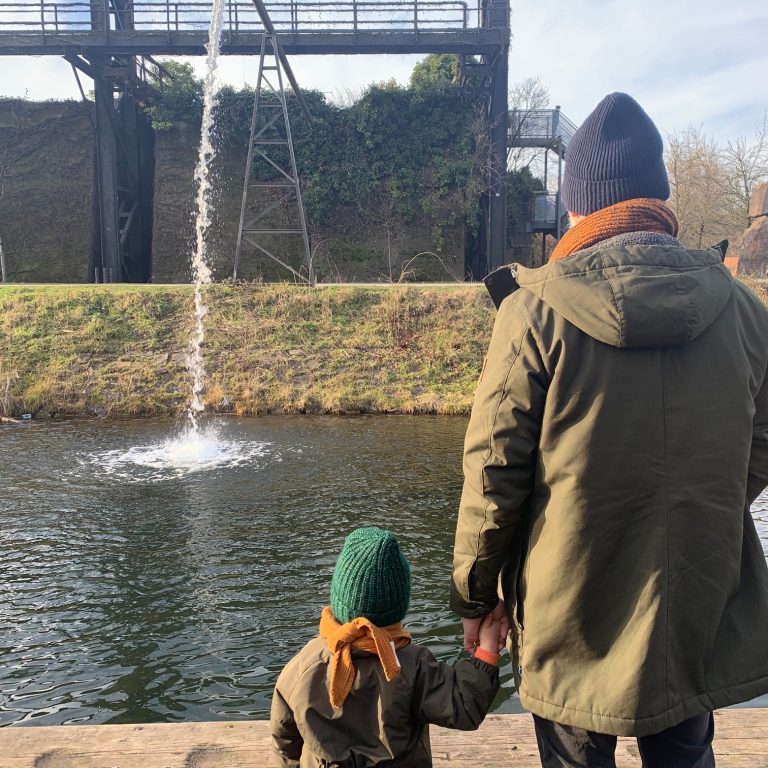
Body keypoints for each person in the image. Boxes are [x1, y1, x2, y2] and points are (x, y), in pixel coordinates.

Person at [451, 92, 768, 767]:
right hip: (695, 598)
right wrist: (698, 505)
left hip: (569, 608)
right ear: (659, 197)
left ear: (576, 205)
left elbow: (493, 474)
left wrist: (476, 595)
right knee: (685, 751)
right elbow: (762, 441)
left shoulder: (533, 313)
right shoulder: (744, 310)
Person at [271, 526, 501, 767]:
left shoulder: (303, 665)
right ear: (399, 606)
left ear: (338, 594)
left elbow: (284, 736)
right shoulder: (414, 665)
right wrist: (487, 648)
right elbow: (464, 705)